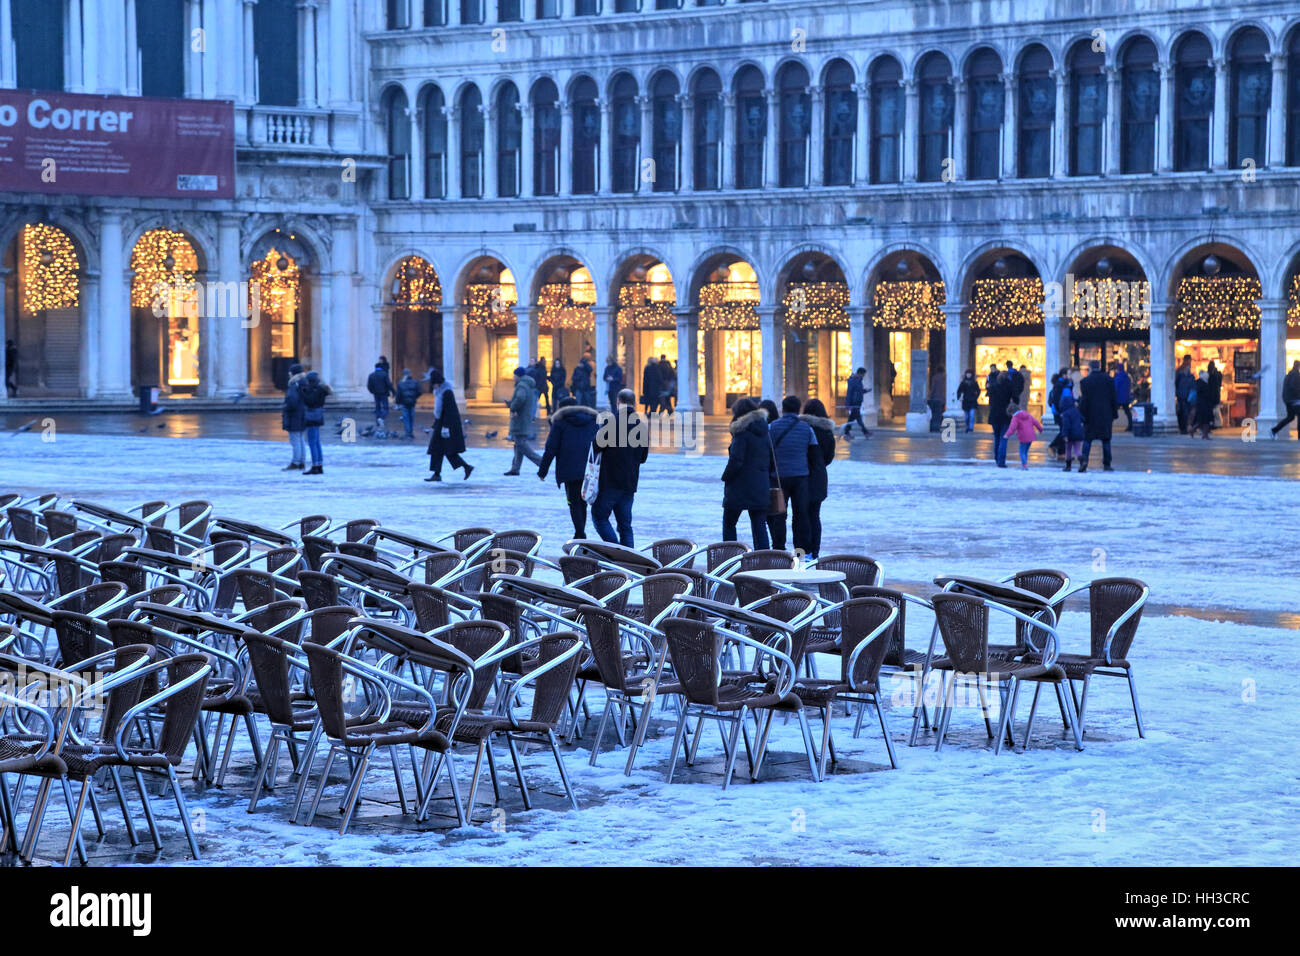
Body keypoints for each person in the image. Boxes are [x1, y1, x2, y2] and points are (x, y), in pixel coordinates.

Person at [591, 389, 649, 546]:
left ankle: (615, 550)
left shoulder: (610, 423)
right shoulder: (641, 426)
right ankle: (629, 560)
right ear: (634, 403)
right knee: (625, 526)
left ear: (618, 402)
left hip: (609, 481)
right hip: (629, 482)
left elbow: (595, 447)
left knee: (599, 516)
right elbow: (643, 458)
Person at [538, 395, 600, 538]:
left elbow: (551, 448)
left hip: (568, 469)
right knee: (582, 501)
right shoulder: (591, 421)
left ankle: (579, 532)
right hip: (587, 469)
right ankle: (580, 531)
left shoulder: (560, 423)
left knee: (573, 502)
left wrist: (543, 471)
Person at [766, 395, 819, 553]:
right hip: (801, 477)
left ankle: (779, 549)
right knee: (801, 515)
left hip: (778, 478)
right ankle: (801, 551)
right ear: (798, 409)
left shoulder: (772, 427)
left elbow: (766, 451)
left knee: (779, 514)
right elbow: (814, 454)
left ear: (783, 409)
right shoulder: (807, 428)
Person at [720, 397, 772, 549]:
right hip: (760, 484)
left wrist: (726, 477)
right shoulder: (764, 431)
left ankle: (729, 556)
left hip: (739, 486)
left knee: (729, 523)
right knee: (759, 525)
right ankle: (764, 559)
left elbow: (736, 460)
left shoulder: (742, 432)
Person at [800, 399, 837, 559]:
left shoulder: (803, 429)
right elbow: (829, 457)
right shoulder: (827, 431)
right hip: (820, 476)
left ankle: (802, 552)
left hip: (801, 475)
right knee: (815, 515)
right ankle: (814, 552)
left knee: (801, 516)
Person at [425, 369, 472, 481]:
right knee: (438, 449)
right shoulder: (441, 392)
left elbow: (450, 412)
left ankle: (466, 467)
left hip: (446, 425)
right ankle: (437, 474)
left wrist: (445, 426)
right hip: (442, 424)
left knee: (447, 450)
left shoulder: (447, 393)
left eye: (434, 384)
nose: (433, 386)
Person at [1079, 359, 1118, 471]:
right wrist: (1114, 414)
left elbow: (1084, 401)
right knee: (1106, 440)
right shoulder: (1109, 380)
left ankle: (1085, 460)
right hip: (1106, 415)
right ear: (1100, 367)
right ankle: (1107, 464)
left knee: (1087, 439)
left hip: (1090, 415)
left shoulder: (1085, 382)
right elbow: (1113, 399)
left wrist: (1082, 415)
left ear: (1090, 368)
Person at [504, 366, 542, 474]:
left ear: (518, 376)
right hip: (524, 418)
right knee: (518, 444)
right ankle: (515, 468)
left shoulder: (521, 386)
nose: (513, 377)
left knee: (521, 444)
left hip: (520, 419)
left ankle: (541, 461)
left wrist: (512, 406)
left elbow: (520, 398)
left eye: (514, 375)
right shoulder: (527, 385)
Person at [297, 369, 331, 476]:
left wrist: (302, 392)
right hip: (318, 415)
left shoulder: (316, 390)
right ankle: (319, 464)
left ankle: (315, 466)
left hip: (312, 417)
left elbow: (310, 401)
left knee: (312, 442)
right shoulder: (320, 389)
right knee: (316, 442)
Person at [280, 362, 307, 470]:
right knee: (300, 439)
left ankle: (296, 462)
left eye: (290, 372)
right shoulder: (304, 383)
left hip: (295, 416)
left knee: (295, 440)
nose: (289, 374)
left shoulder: (294, 385)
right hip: (303, 414)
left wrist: (286, 407)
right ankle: (301, 462)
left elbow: (292, 401)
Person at [986, 370, 1015, 468]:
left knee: (997, 437)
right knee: (1004, 437)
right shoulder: (1009, 386)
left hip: (994, 414)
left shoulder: (993, 387)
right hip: (1005, 415)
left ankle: (996, 457)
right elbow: (1015, 398)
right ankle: (1001, 460)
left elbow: (989, 398)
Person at [1003, 401, 1043, 470]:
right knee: (1025, 451)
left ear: (1011, 412)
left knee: (1022, 452)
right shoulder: (1027, 415)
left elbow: (1012, 428)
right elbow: (1036, 422)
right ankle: (1024, 464)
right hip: (1031, 436)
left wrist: (1007, 434)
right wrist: (1040, 429)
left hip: (1023, 437)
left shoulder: (1015, 418)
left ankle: (1024, 465)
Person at [1269, 360, 1300, 439]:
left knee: (1290, 417)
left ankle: (1274, 430)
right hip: (1295, 400)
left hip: (1288, 399)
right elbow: (1294, 387)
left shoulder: (1289, 374)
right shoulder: (1296, 374)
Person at [1059, 392, 1086, 471]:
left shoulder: (1065, 414)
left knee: (1068, 449)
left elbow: (1066, 426)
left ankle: (1068, 466)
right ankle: (1083, 461)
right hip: (1079, 434)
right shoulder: (1076, 411)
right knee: (1077, 449)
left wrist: (1065, 435)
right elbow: (1083, 419)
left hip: (1070, 434)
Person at [843, 367, 871, 439]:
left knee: (852, 418)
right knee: (858, 418)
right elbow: (849, 392)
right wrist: (848, 404)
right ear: (860, 374)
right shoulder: (853, 381)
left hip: (857, 402)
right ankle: (865, 432)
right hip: (854, 403)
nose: (863, 376)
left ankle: (846, 432)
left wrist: (866, 391)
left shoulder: (858, 381)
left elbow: (859, 391)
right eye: (863, 375)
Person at [394, 368, 421, 439]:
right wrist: (414, 397)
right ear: (410, 374)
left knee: (406, 418)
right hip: (412, 402)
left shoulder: (400, 383)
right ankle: (411, 432)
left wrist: (397, 402)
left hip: (404, 403)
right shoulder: (415, 382)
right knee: (411, 417)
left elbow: (398, 394)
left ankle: (408, 432)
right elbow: (419, 392)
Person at [366, 360, 395, 426]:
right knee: (385, 408)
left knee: (378, 407)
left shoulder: (371, 375)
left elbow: (369, 385)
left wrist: (372, 391)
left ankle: (378, 418)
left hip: (376, 393)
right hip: (384, 393)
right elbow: (389, 384)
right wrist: (393, 391)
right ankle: (381, 417)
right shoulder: (384, 374)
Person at [1174, 354, 1195, 434]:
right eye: (1189, 360)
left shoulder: (1188, 373)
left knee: (1187, 412)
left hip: (1186, 395)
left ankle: (1184, 427)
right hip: (1182, 395)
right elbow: (1176, 382)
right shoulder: (1180, 372)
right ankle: (1183, 428)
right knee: (1183, 412)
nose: (1190, 363)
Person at [956, 369, 980, 433]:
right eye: (967, 374)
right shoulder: (963, 383)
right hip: (966, 401)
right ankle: (967, 426)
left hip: (972, 401)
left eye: (969, 374)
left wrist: (976, 397)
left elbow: (978, 391)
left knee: (971, 415)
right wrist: (959, 397)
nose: (968, 375)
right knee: (966, 416)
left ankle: (971, 428)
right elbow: (959, 391)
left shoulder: (974, 382)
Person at [1114, 361, 1133, 431]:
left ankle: (1108, 425)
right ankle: (1130, 425)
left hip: (1118, 398)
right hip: (1125, 397)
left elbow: (1115, 387)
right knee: (1127, 412)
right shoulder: (1127, 377)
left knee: (1113, 412)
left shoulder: (1118, 377)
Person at [927, 364, 946, 432]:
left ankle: (937, 425)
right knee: (942, 411)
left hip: (936, 398)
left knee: (936, 413)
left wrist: (930, 396)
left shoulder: (935, 378)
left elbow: (933, 388)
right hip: (943, 398)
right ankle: (942, 424)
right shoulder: (945, 378)